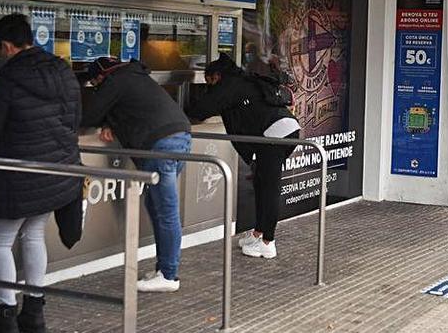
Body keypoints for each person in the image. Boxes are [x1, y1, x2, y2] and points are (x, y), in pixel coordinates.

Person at [0, 14, 83, 333]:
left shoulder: (8, 78)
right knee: (34, 234)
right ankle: (34, 314)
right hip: (55, 172)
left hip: (17, 175)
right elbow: (75, 119)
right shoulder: (62, 69)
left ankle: (7, 316)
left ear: (7, 46)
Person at [81, 57, 192, 293]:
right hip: (179, 137)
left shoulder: (116, 81)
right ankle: (164, 268)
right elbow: (129, 109)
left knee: (165, 212)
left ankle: (169, 275)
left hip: (161, 145)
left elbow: (88, 115)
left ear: (101, 76)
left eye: (94, 82)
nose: (96, 86)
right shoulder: (135, 76)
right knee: (156, 205)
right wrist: (111, 121)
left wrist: (105, 119)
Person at [187, 54, 301, 259]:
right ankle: (259, 233)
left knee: (269, 186)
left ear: (217, 76)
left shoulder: (229, 85)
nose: (209, 86)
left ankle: (268, 242)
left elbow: (200, 109)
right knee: (261, 182)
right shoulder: (243, 80)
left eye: (209, 81)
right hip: (283, 129)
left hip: (275, 134)